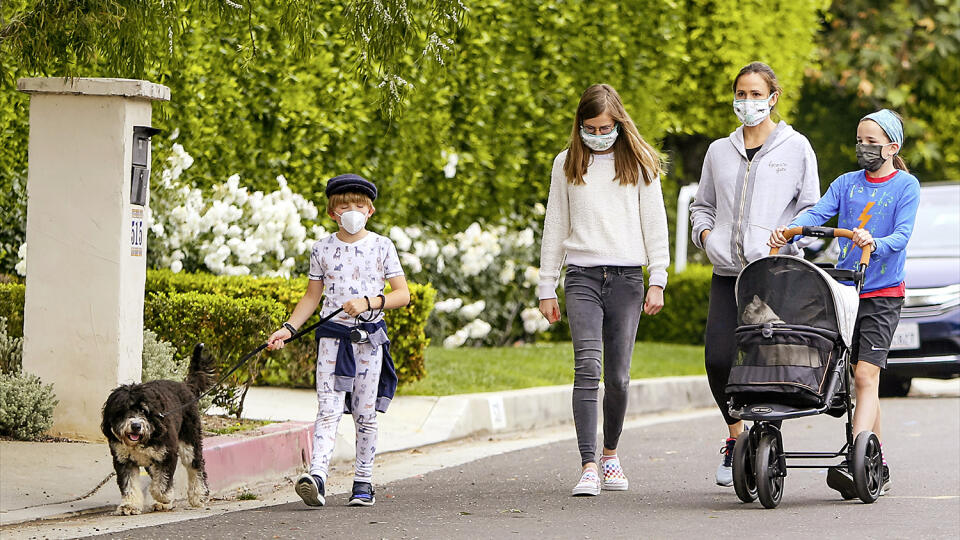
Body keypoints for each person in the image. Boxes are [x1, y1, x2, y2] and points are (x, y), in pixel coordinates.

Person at [768, 109, 919, 497]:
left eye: (872, 142)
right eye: (860, 140)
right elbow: (818, 214)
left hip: (883, 291)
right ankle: (875, 462)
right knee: (861, 379)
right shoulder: (846, 184)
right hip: (846, 289)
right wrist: (791, 230)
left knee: (866, 376)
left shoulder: (905, 186)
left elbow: (901, 235)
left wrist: (875, 242)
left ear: (892, 147)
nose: (863, 148)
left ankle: (854, 455)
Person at [689, 61, 821, 488]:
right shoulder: (718, 151)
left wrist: (789, 239)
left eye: (755, 94)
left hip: (774, 273)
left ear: (773, 97)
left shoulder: (796, 148)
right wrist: (707, 235)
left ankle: (768, 440)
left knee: (769, 364)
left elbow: (812, 209)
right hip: (727, 271)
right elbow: (701, 206)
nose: (747, 102)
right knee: (717, 360)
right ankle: (735, 439)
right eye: (740, 94)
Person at [538, 83, 669, 497]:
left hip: (628, 279)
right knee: (587, 369)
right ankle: (588, 464)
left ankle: (611, 454)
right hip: (581, 277)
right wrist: (546, 286)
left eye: (606, 127)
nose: (598, 134)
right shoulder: (566, 164)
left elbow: (655, 224)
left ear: (619, 123)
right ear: (579, 126)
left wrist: (658, 279)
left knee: (619, 377)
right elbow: (554, 227)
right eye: (590, 128)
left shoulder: (639, 163)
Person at [266, 173, 410, 507]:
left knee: (364, 413)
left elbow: (402, 294)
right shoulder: (321, 249)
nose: (352, 210)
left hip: (368, 342)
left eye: (359, 205)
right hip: (332, 341)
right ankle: (317, 477)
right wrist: (287, 329)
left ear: (370, 210)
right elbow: (311, 297)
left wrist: (370, 302)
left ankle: (363, 482)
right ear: (333, 212)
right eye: (344, 206)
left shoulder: (382, 246)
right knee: (328, 409)